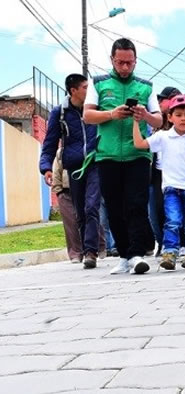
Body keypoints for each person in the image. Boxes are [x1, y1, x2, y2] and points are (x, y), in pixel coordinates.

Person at [83, 38, 163, 275]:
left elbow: (159, 120)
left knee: (137, 204)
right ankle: (125, 255)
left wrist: (145, 115)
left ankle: (138, 254)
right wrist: (111, 114)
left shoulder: (146, 86)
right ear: (112, 60)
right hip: (107, 155)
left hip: (138, 154)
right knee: (115, 207)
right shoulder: (98, 83)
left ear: (136, 61)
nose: (125, 67)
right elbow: (88, 116)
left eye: (130, 63)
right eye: (120, 62)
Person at [132, 94, 185, 270]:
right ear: (170, 117)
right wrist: (136, 123)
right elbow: (140, 144)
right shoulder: (163, 137)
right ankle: (170, 252)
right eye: (178, 115)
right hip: (171, 188)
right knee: (172, 221)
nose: (183, 118)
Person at [40, 73, 101, 269]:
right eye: (85, 88)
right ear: (73, 90)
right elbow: (49, 144)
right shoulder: (60, 113)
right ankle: (85, 249)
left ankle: (91, 252)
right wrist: (46, 167)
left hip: (96, 162)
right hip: (74, 167)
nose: (89, 91)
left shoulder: (96, 109)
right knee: (81, 212)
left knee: (92, 206)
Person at [149, 86, 182, 257]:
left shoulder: (183, 124)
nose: (160, 103)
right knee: (155, 211)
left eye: (164, 99)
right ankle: (162, 242)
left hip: (176, 172)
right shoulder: (153, 123)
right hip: (155, 173)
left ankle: (179, 243)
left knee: (176, 209)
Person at [51, 148, 83, 264]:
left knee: (89, 215)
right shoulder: (61, 152)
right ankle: (75, 253)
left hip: (83, 189)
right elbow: (56, 171)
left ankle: (95, 247)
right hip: (66, 191)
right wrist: (58, 191)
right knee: (70, 223)